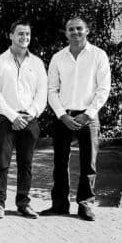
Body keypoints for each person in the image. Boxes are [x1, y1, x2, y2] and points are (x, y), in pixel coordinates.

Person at [43, 17, 111, 221]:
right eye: (71, 29)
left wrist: (88, 114)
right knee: (60, 163)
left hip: (88, 117)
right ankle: (60, 204)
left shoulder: (98, 55)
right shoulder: (58, 57)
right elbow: (52, 89)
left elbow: (103, 89)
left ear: (87, 30)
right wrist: (62, 115)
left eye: (79, 28)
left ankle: (85, 204)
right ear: (66, 33)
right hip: (63, 117)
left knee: (88, 164)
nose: (75, 32)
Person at [0, 21, 47, 219]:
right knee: (2, 163)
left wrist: (30, 114)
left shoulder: (37, 63)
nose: (24, 37)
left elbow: (42, 93)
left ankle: (23, 203)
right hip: (5, 119)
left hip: (30, 119)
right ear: (11, 35)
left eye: (27, 34)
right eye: (20, 33)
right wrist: (14, 116)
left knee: (26, 164)